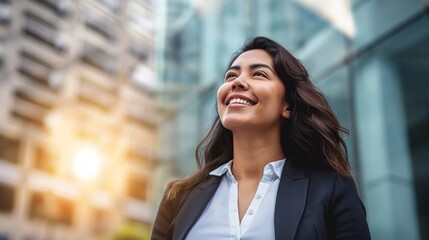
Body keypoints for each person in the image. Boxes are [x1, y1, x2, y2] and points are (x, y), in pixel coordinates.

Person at [151, 36, 371, 240]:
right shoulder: (178, 198)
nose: (237, 82)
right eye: (231, 76)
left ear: (288, 106)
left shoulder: (331, 188)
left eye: (258, 74)